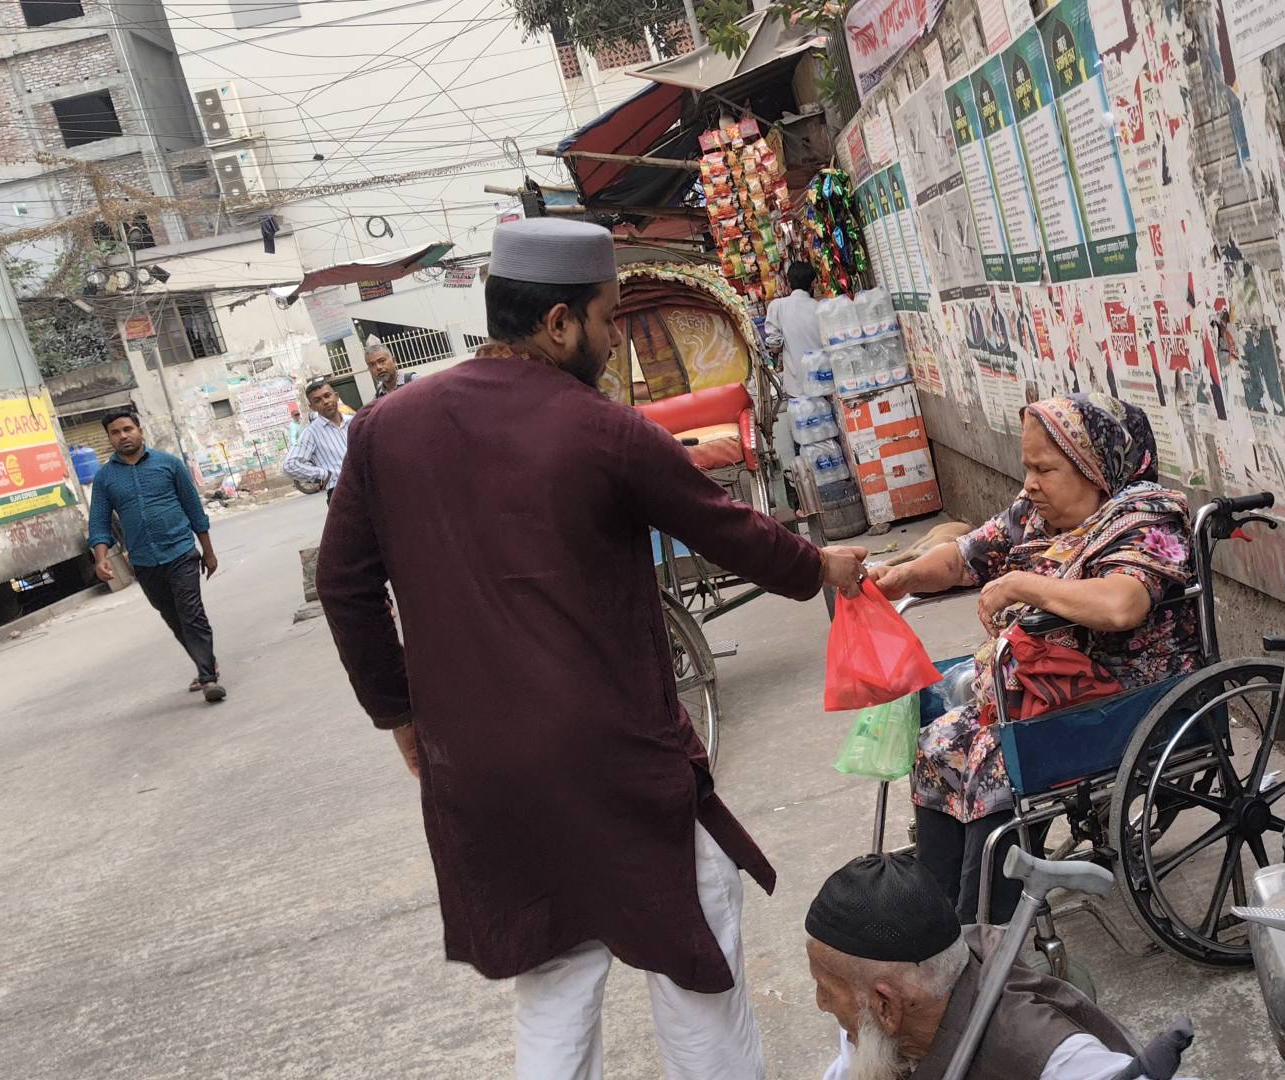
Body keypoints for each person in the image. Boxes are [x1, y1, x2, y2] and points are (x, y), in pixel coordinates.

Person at [316, 217, 870, 1080]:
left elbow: (345, 589)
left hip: (482, 770)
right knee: (692, 948)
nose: (613, 343)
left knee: (554, 973)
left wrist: (400, 714)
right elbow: (729, 530)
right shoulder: (603, 430)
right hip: (612, 758)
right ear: (559, 324)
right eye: (609, 320)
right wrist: (823, 565)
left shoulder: (387, 428)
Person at [868, 395, 1200, 923]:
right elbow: (963, 556)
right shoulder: (1037, 515)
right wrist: (901, 575)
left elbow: (1122, 604)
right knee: (938, 744)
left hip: (1123, 695)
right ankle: (939, 922)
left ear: (1096, 469)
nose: (1029, 484)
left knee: (992, 760)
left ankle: (988, 931)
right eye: (1027, 467)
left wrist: (1024, 584)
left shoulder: (1148, 518)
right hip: (1045, 691)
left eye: (1045, 468)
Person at [807, 853, 1195, 1080]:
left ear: (886, 1006)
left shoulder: (1037, 1050)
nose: (821, 1002)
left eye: (825, 986)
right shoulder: (872, 1027)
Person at [88, 409, 226, 703]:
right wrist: (101, 558)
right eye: (115, 432)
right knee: (173, 616)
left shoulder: (169, 464)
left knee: (191, 612)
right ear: (110, 439)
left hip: (180, 551)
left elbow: (194, 510)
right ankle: (206, 662)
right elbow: (99, 522)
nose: (123, 436)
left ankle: (208, 677)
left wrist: (209, 552)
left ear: (140, 431)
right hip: (143, 560)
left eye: (128, 429)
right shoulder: (105, 478)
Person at [282, 377, 352, 501]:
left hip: (368, 486)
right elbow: (289, 465)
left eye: (327, 396)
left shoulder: (353, 421)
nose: (325, 402)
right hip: (341, 493)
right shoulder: (311, 433)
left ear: (336, 396)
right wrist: (323, 475)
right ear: (312, 407)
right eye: (318, 400)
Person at [764, 261, 825, 362]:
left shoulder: (777, 306)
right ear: (813, 283)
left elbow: (775, 348)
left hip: (794, 375)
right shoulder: (820, 308)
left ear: (788, 282)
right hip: (822, 372)